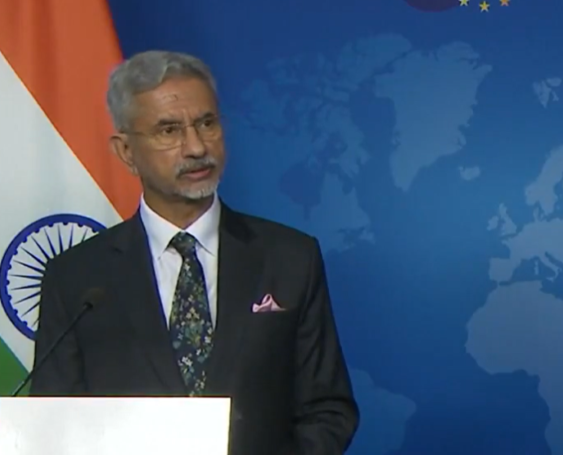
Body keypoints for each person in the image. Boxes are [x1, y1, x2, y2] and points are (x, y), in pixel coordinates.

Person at [29, 50, 360, 455]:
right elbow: (55, 421)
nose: (196, 147)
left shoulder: (291, 258)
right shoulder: (76, 277)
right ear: (126, 152)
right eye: (168, 130)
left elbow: (327, 410)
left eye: (207, 123)